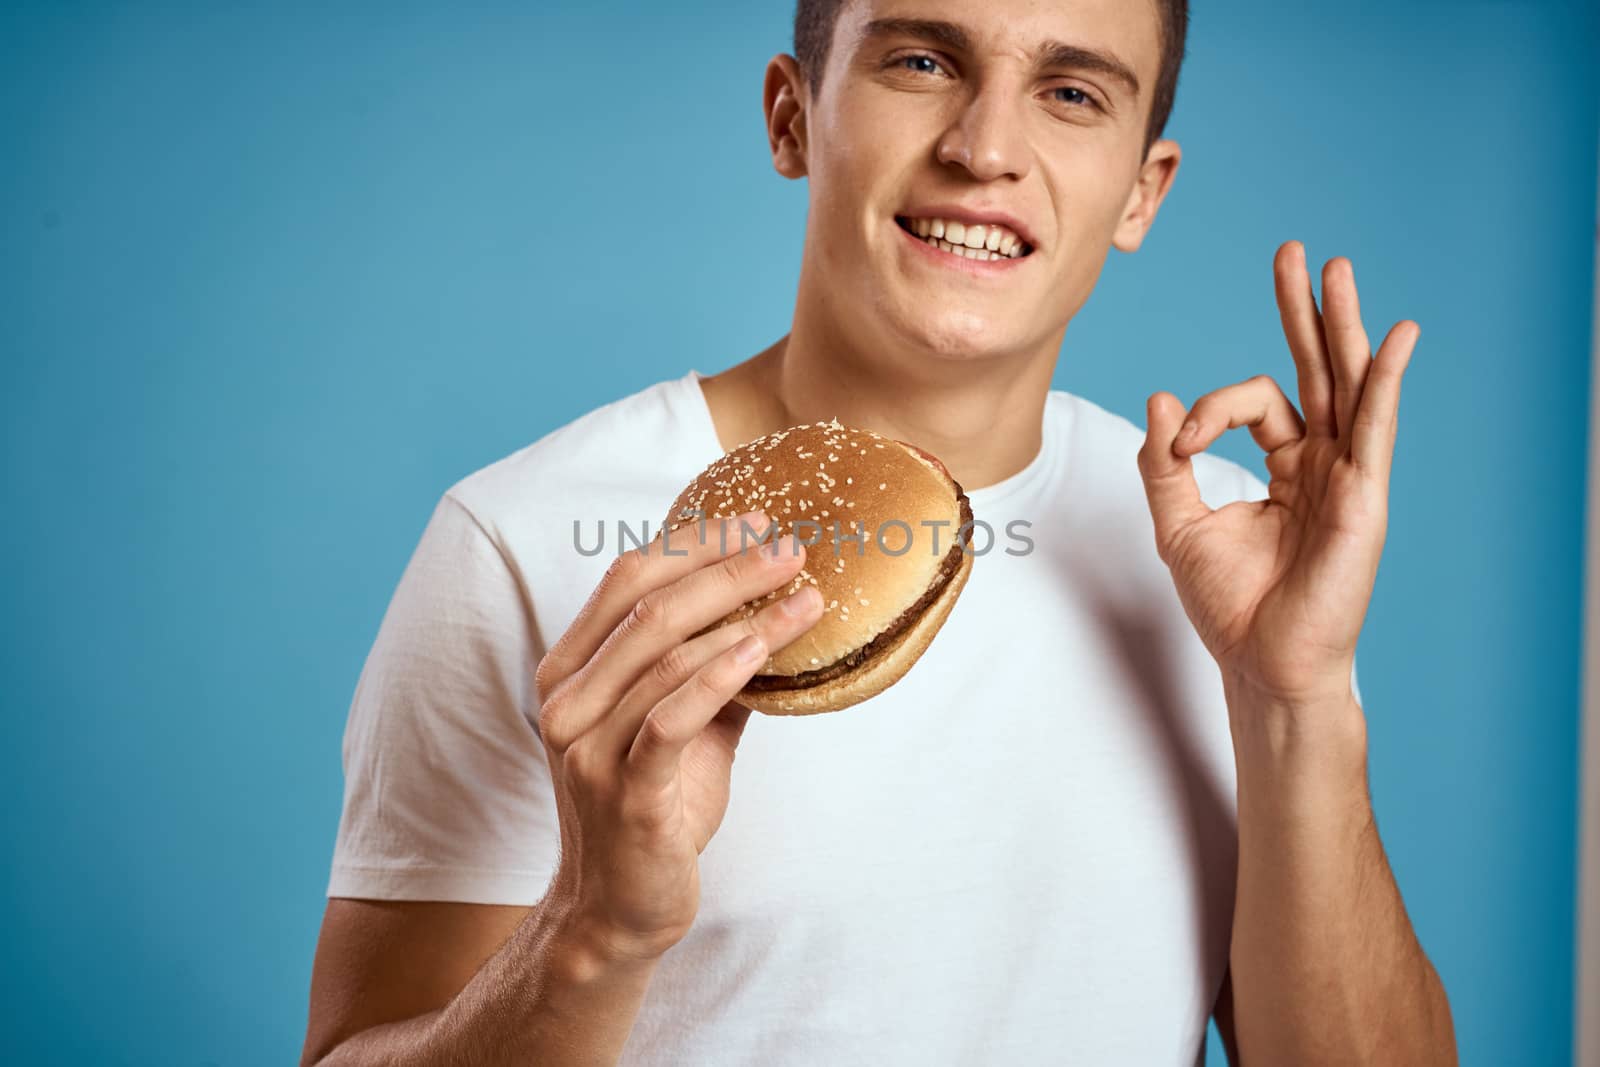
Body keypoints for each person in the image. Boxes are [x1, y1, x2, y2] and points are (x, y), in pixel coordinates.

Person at [300, 0, 1457, 1063]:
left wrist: (1292, 697)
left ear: (1141, 192)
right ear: (791, 116)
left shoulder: (1217, 552)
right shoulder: (524, 541)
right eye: (920, 59)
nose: (984, 145)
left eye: (1070, 91)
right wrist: (592, 929)